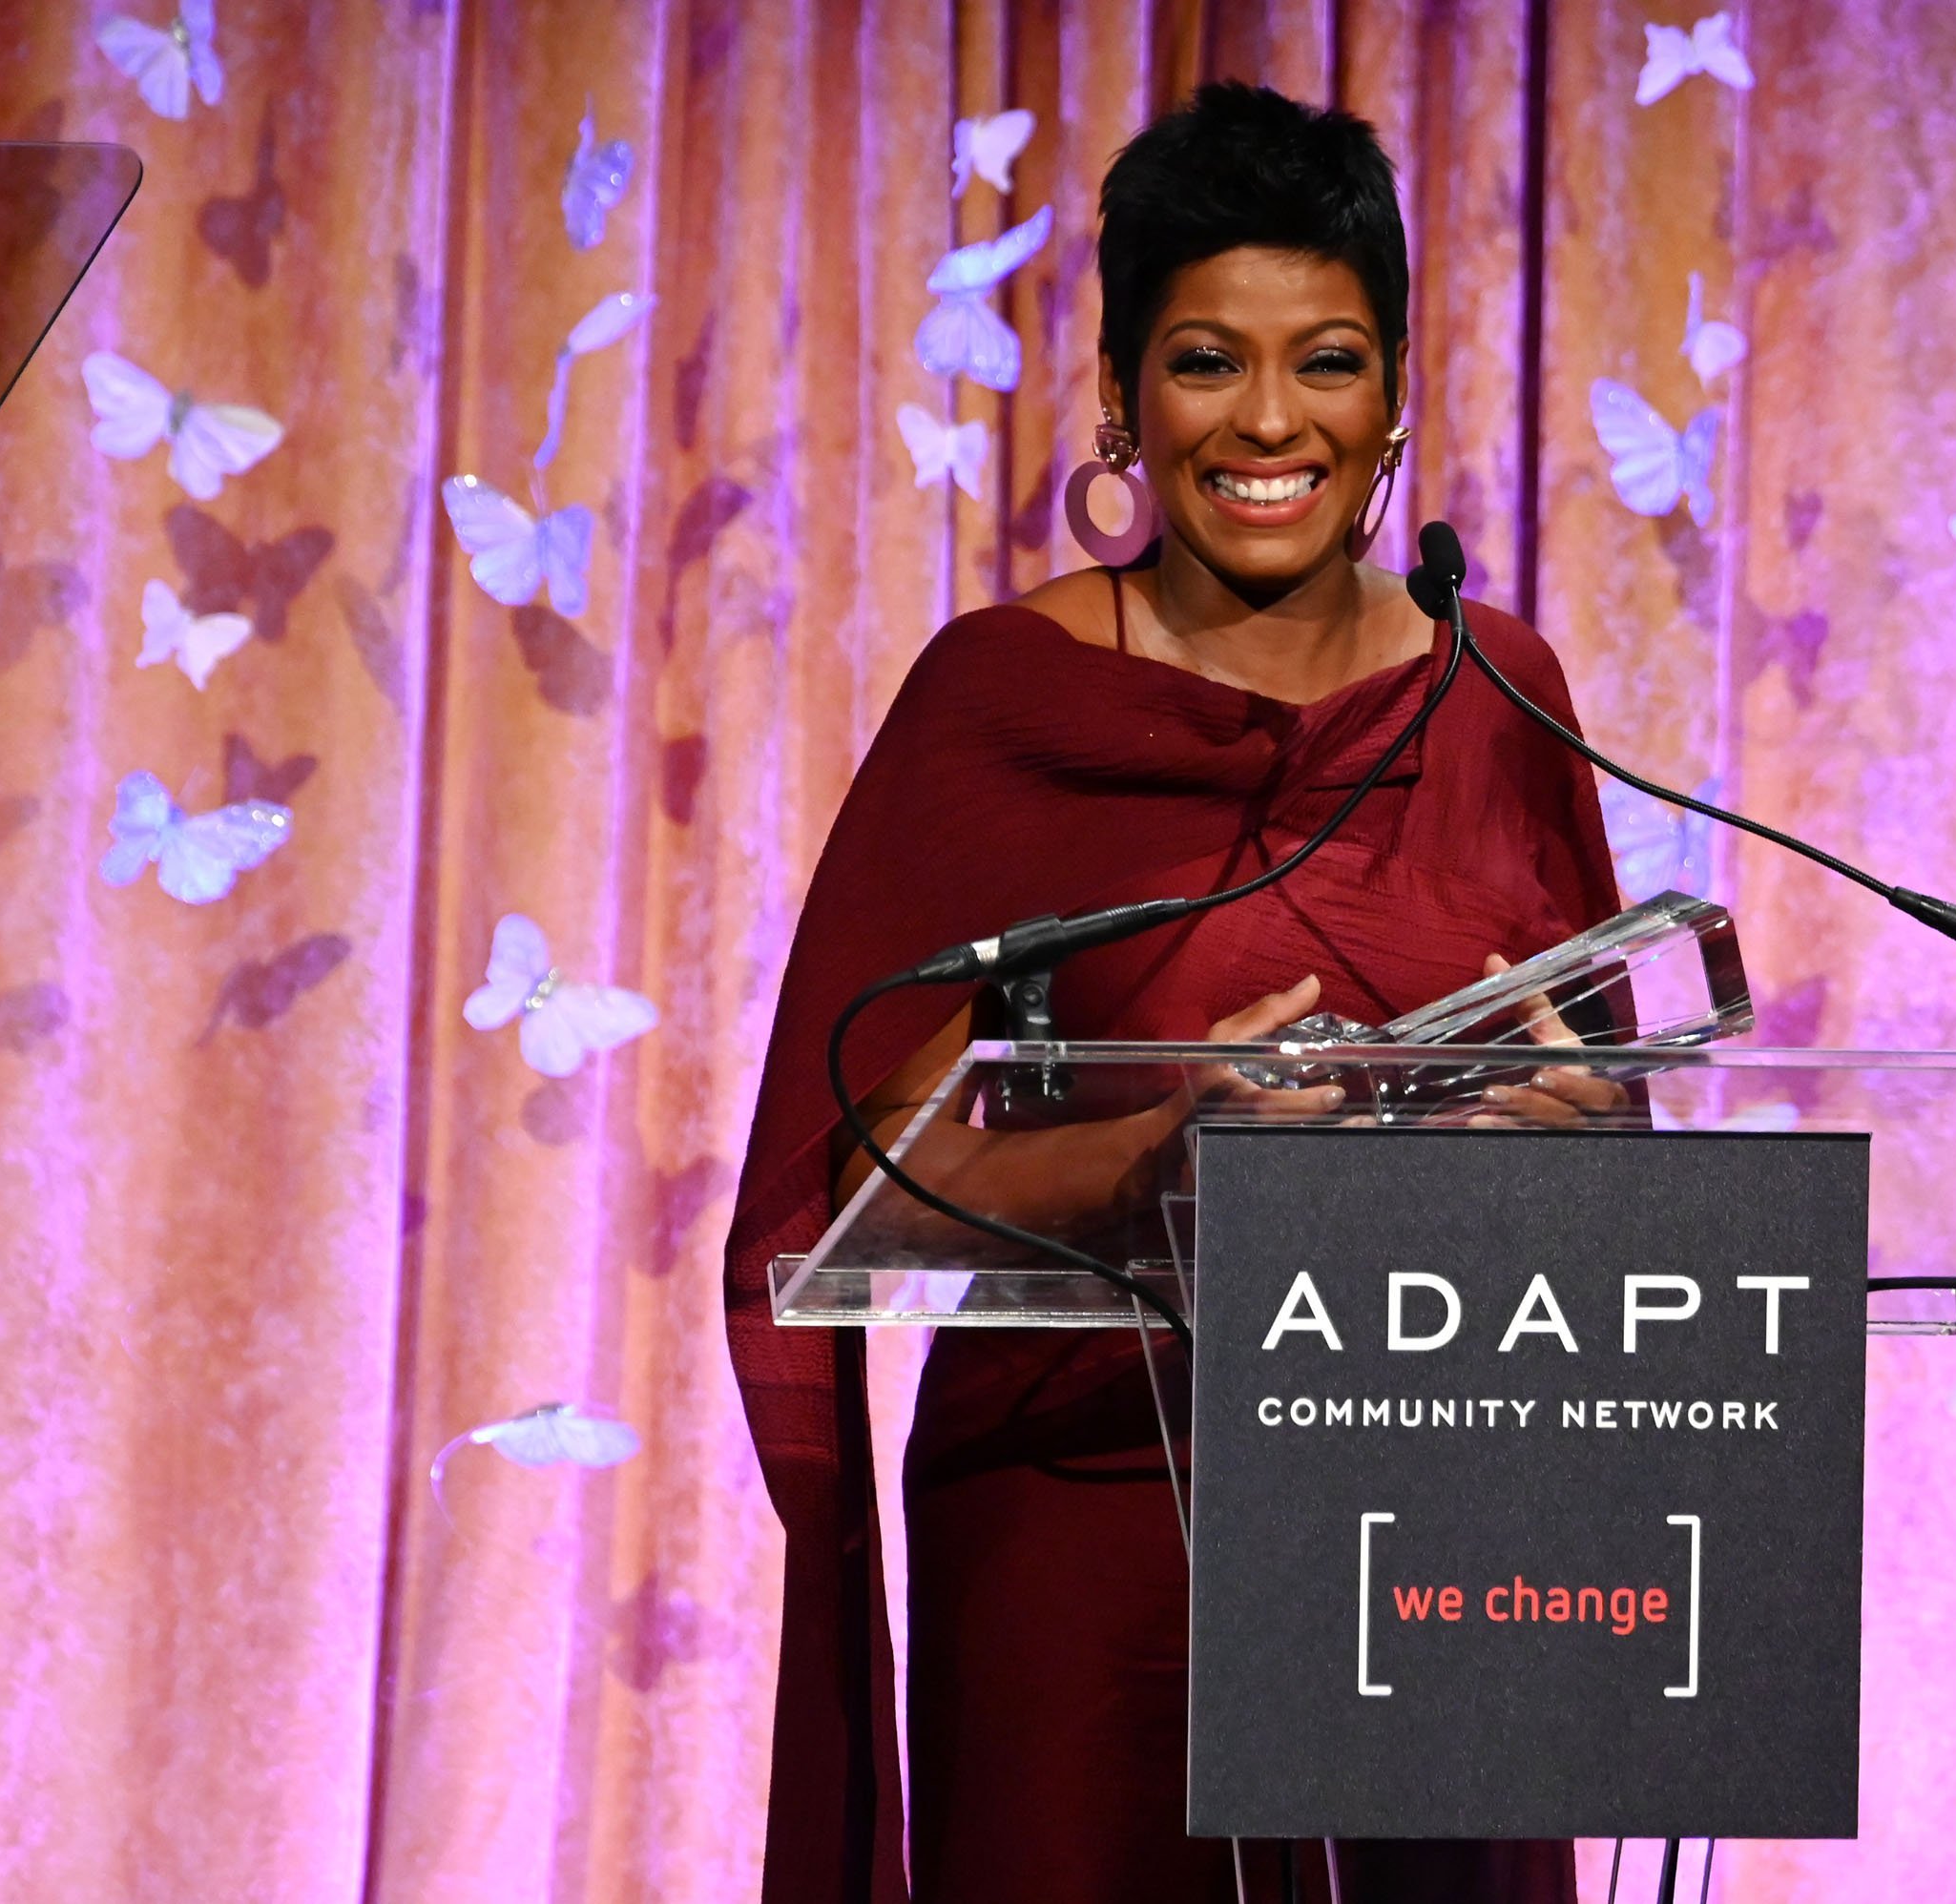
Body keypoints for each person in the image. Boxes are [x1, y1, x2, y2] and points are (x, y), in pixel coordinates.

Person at [725, 82, 1618, 1904]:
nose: (1271, 420)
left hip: (1443, 1530)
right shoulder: (1006, 701)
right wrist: (1157, 1155)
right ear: (1125, 397)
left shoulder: (1502, 693)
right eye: (1210, 361)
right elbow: (862, 1185)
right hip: (1087, 1525)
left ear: (1394, 403)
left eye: (1331, 362)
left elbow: (1606, 1103)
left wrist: (1594, 1148)